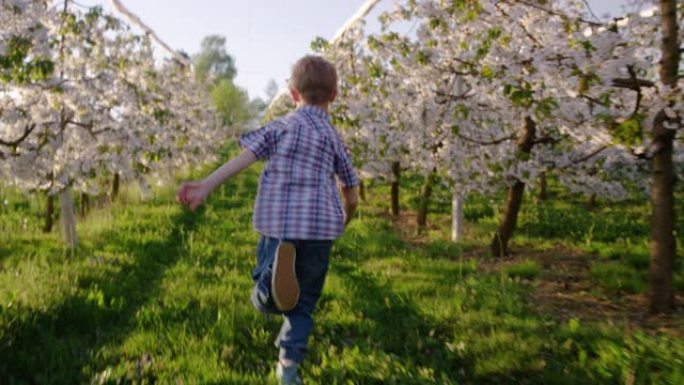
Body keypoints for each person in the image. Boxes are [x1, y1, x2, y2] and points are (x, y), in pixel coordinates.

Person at [177, 55, 359, 385]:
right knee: (303, 304)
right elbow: (351, 187)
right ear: (334, 95)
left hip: (280, 225)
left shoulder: (282, 127)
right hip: (319, 230)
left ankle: (268, 288)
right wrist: (347, 216)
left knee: (267, 287)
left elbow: (243, 160)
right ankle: (288, 365)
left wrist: (205, 185)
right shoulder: (334, 138)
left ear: (293, 94)